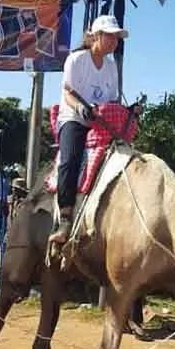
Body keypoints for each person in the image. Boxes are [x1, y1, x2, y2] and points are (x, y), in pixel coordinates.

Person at [49, 15, 129, 243]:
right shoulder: (76, 59)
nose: (115, 41)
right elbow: (68, 92)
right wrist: (82, 110)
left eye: (117, 37)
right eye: (111, 36)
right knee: (70, 159)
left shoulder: (112, 67)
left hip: (101, 122)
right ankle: (65, 217)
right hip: (74, 117)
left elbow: (112, 100)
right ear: (96, 36)